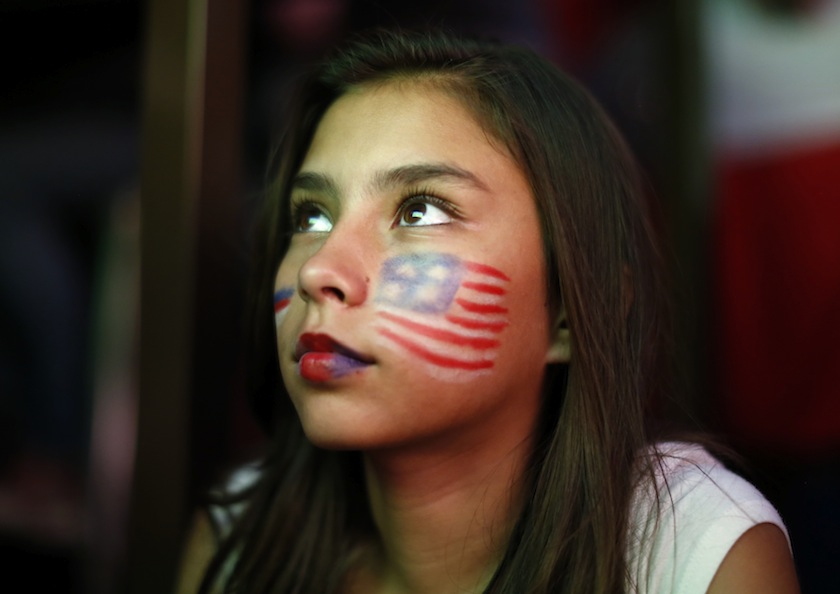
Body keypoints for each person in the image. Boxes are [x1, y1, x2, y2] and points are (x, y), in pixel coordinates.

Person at [176, 29, 799, 594]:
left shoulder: (694, 555)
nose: (317, 271)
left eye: (420, 210)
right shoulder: (239, 543)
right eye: (311, 216)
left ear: (569, 314)